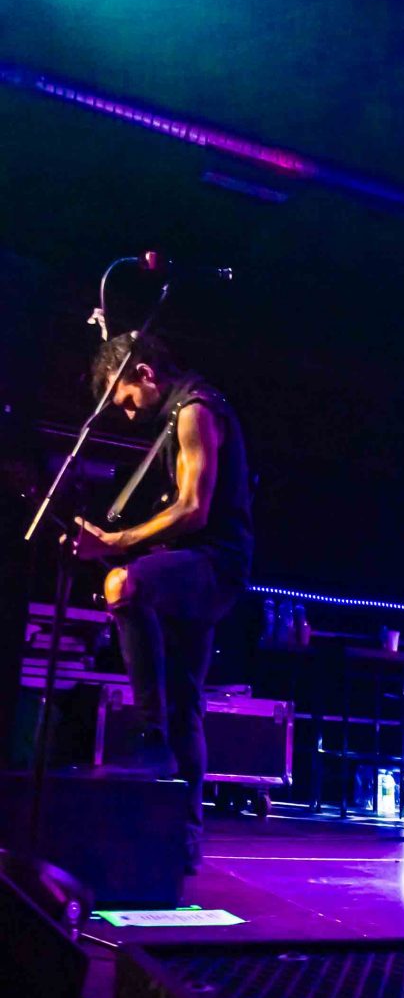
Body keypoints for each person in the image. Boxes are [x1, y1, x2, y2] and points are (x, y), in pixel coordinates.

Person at [67, 331, 253, 868]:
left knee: (124, 584)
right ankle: (183, 841)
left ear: (145, 374)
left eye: (125, 399)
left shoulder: (195, 409)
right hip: (194, 566)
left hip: (215, 564)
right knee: (184, 702)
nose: (127, 414)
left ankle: (150, 733)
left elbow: (194, 508)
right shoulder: (177, 416)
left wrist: (117, 543)